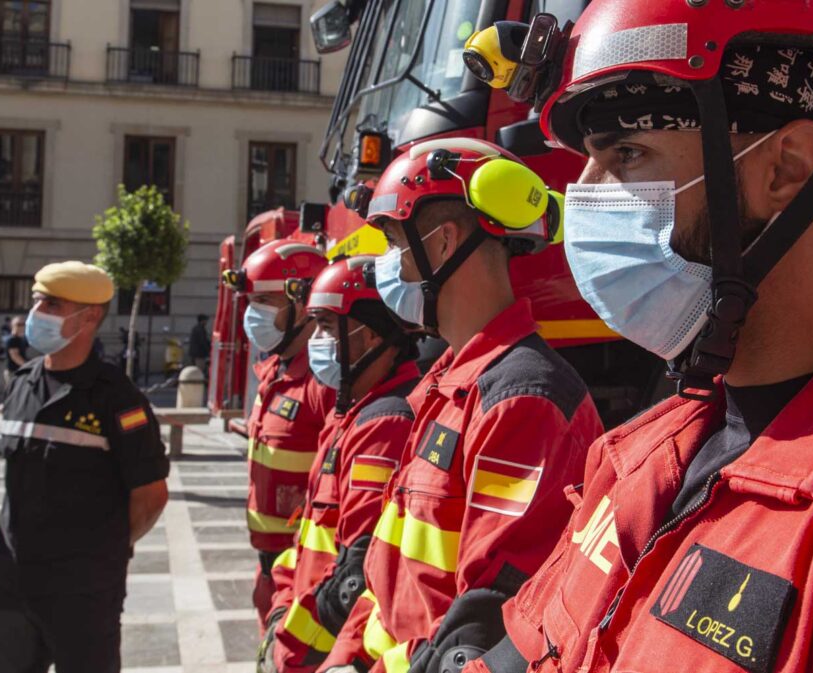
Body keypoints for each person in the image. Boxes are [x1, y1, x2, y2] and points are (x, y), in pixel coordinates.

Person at [464, 2, 813, 672]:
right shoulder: (643, 452)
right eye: (588, 162)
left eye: (626, 155)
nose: (581, 201)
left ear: (785, 168)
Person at [319, 139, 604, 673]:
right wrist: (346, 655)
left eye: (400, 247)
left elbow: (485, 627)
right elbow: (387, 571)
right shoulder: (443, 386)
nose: (392, 271)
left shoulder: (523, 402)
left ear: (445, 243)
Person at [0, 261, 169, 672]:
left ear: (89, 317)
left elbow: (150, 496)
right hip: (13, 582)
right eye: (36, 302)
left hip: (81, 590)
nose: (37, 314)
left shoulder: (117, 399)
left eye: (51, 304)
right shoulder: (22, 382)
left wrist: (101, 549)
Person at [258, 256, 422, 673]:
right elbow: (308, 537)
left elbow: (359, 571)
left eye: (328, 328)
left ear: (368, 337)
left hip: (327, 653)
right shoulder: (348, 414)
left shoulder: (387, 423)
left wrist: (293, 649)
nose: (317, 340)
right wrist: (280, 613)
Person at [222, 240, 336, 631]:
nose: (254, 314)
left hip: (305, 571)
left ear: (305, 303)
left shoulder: (324, 382)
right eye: (252, 301)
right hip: (269, 564)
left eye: (266, 301)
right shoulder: (274, 371)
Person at [0, 317, 28, 428]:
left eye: (23, 324)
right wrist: (28, 366)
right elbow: (14, 355)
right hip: (13, 372)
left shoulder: (21, 339)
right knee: (14, 397)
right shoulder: (12, 340)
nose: (21, 326)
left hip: (19, 371)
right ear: (12, 326)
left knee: (17, 397)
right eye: (18, 324)